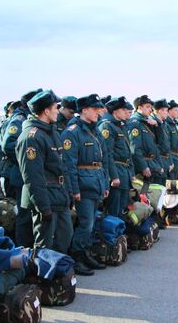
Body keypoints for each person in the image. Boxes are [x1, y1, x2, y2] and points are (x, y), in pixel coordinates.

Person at [16, 90, 73, 256]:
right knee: (44, 243)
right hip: (45, 197)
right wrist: (43, 207)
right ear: (46, 111)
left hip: (58, 194)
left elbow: (62, 166)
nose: (58, 111)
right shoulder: (31, 137)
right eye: (55, 107)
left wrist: (68, 193)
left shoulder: (52, 132)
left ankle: (57, 273)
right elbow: (32, 177)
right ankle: (42, 277)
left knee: (65, 237)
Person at [62, 94, 109, 276]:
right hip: (83, 184)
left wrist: (104, 184)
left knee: (91, 222)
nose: (99, 112)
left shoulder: (95, 131)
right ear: (84, 110)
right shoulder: (72, 132)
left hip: (95, 182)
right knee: (86, 224)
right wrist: (74, 190)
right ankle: (76, 257)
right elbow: (69, 165)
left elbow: (102, 160)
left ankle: (86, 253)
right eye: (95, 109)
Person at [1, 89, 43, 247]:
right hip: (21, 174)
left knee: (32, 214)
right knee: (24, 215)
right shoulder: (19, 119)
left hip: (29, 174)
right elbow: (9, 145)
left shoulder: (29, 118)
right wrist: (26, 160)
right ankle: (22, 250)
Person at [98, 96, 135, 219]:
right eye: (123, 110)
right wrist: (113, 176)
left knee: (123, 208)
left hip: (124, 172)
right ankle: (113, 237)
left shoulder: (120, 125)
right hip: (116, 172)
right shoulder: (107, 126)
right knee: (114, 209)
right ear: (115, 111)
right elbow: (107, 154)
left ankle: (121, 235)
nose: (126, 112)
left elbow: (128, 152)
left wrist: (132, 173)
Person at [128, 95, 163, 182]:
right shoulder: (135, 123)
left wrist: (157, 125)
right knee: (144, 193)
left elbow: (158, 143)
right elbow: (135, 148)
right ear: (139, 107)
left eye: (151, 107)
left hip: (152, 164)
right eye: (147, 107)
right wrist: (143, 167)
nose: (150, 110)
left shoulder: (147, 122)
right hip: (143, 167)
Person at [150, 99, 171, 185]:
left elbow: (167, 145)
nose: (167, 113)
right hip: (158, 160)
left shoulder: (162, 123)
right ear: (160, 111)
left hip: (165, 160)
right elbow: (155, 144)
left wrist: (170, 162)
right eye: (166, 110)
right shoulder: (152, 122)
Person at [166, 100, 178, 180]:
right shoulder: (167, 124)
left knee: (176, 181)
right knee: (171, 184)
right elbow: (166, 144)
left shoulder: (173, 123)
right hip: (171, 156)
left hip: (176, 156)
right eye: (175, 110)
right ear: (169, 111)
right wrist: (170, 161)